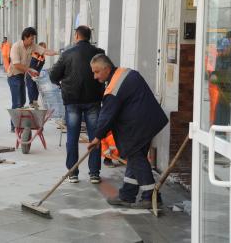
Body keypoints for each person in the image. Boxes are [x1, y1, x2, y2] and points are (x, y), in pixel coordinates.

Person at [87, 54, 168, 208]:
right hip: (148, 121)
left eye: (96, 72)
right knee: (135, 156)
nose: (94, 76)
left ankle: (151, 197)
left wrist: (97, 138)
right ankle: (127, 194)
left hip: (138, 126)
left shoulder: (113, 88)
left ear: (106, 68)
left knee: (136, 157)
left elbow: (107, 115)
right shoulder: (125, 72)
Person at [49, 25, 105, 184]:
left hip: (72, 100)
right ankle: (94, 173)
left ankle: (73, 173)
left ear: (76, 36)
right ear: (89, 36)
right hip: (93, 100)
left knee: (72, 137)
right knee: (94, 136)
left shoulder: (67, 54)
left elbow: (53, 76)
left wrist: (63, 83)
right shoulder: (99, 53)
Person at [7, 27, 57, 132]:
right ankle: (14, 126)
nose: (33, 41)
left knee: (23, 101)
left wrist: (58, 53)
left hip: (21, 76)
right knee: (17, 101)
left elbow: (44, 51)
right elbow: (16, 65)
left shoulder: (32, 46)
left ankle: (17, 123)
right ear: (25, 37)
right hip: (13, 75)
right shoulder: (16, 47)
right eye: (31, 38)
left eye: (34, 38)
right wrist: (30, 70)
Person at [26, 42, 47, 107]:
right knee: (31, 87)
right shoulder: (34, 54)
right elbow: (31, 66)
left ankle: (35, 101)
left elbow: (40, 66)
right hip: (30, 73)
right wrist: (32, 74)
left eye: (45, 48)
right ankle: (31, 102)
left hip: (36, 74)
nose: (44, 49)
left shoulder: (42, 57)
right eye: (43, 48)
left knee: (36, 88)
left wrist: (38, 74)